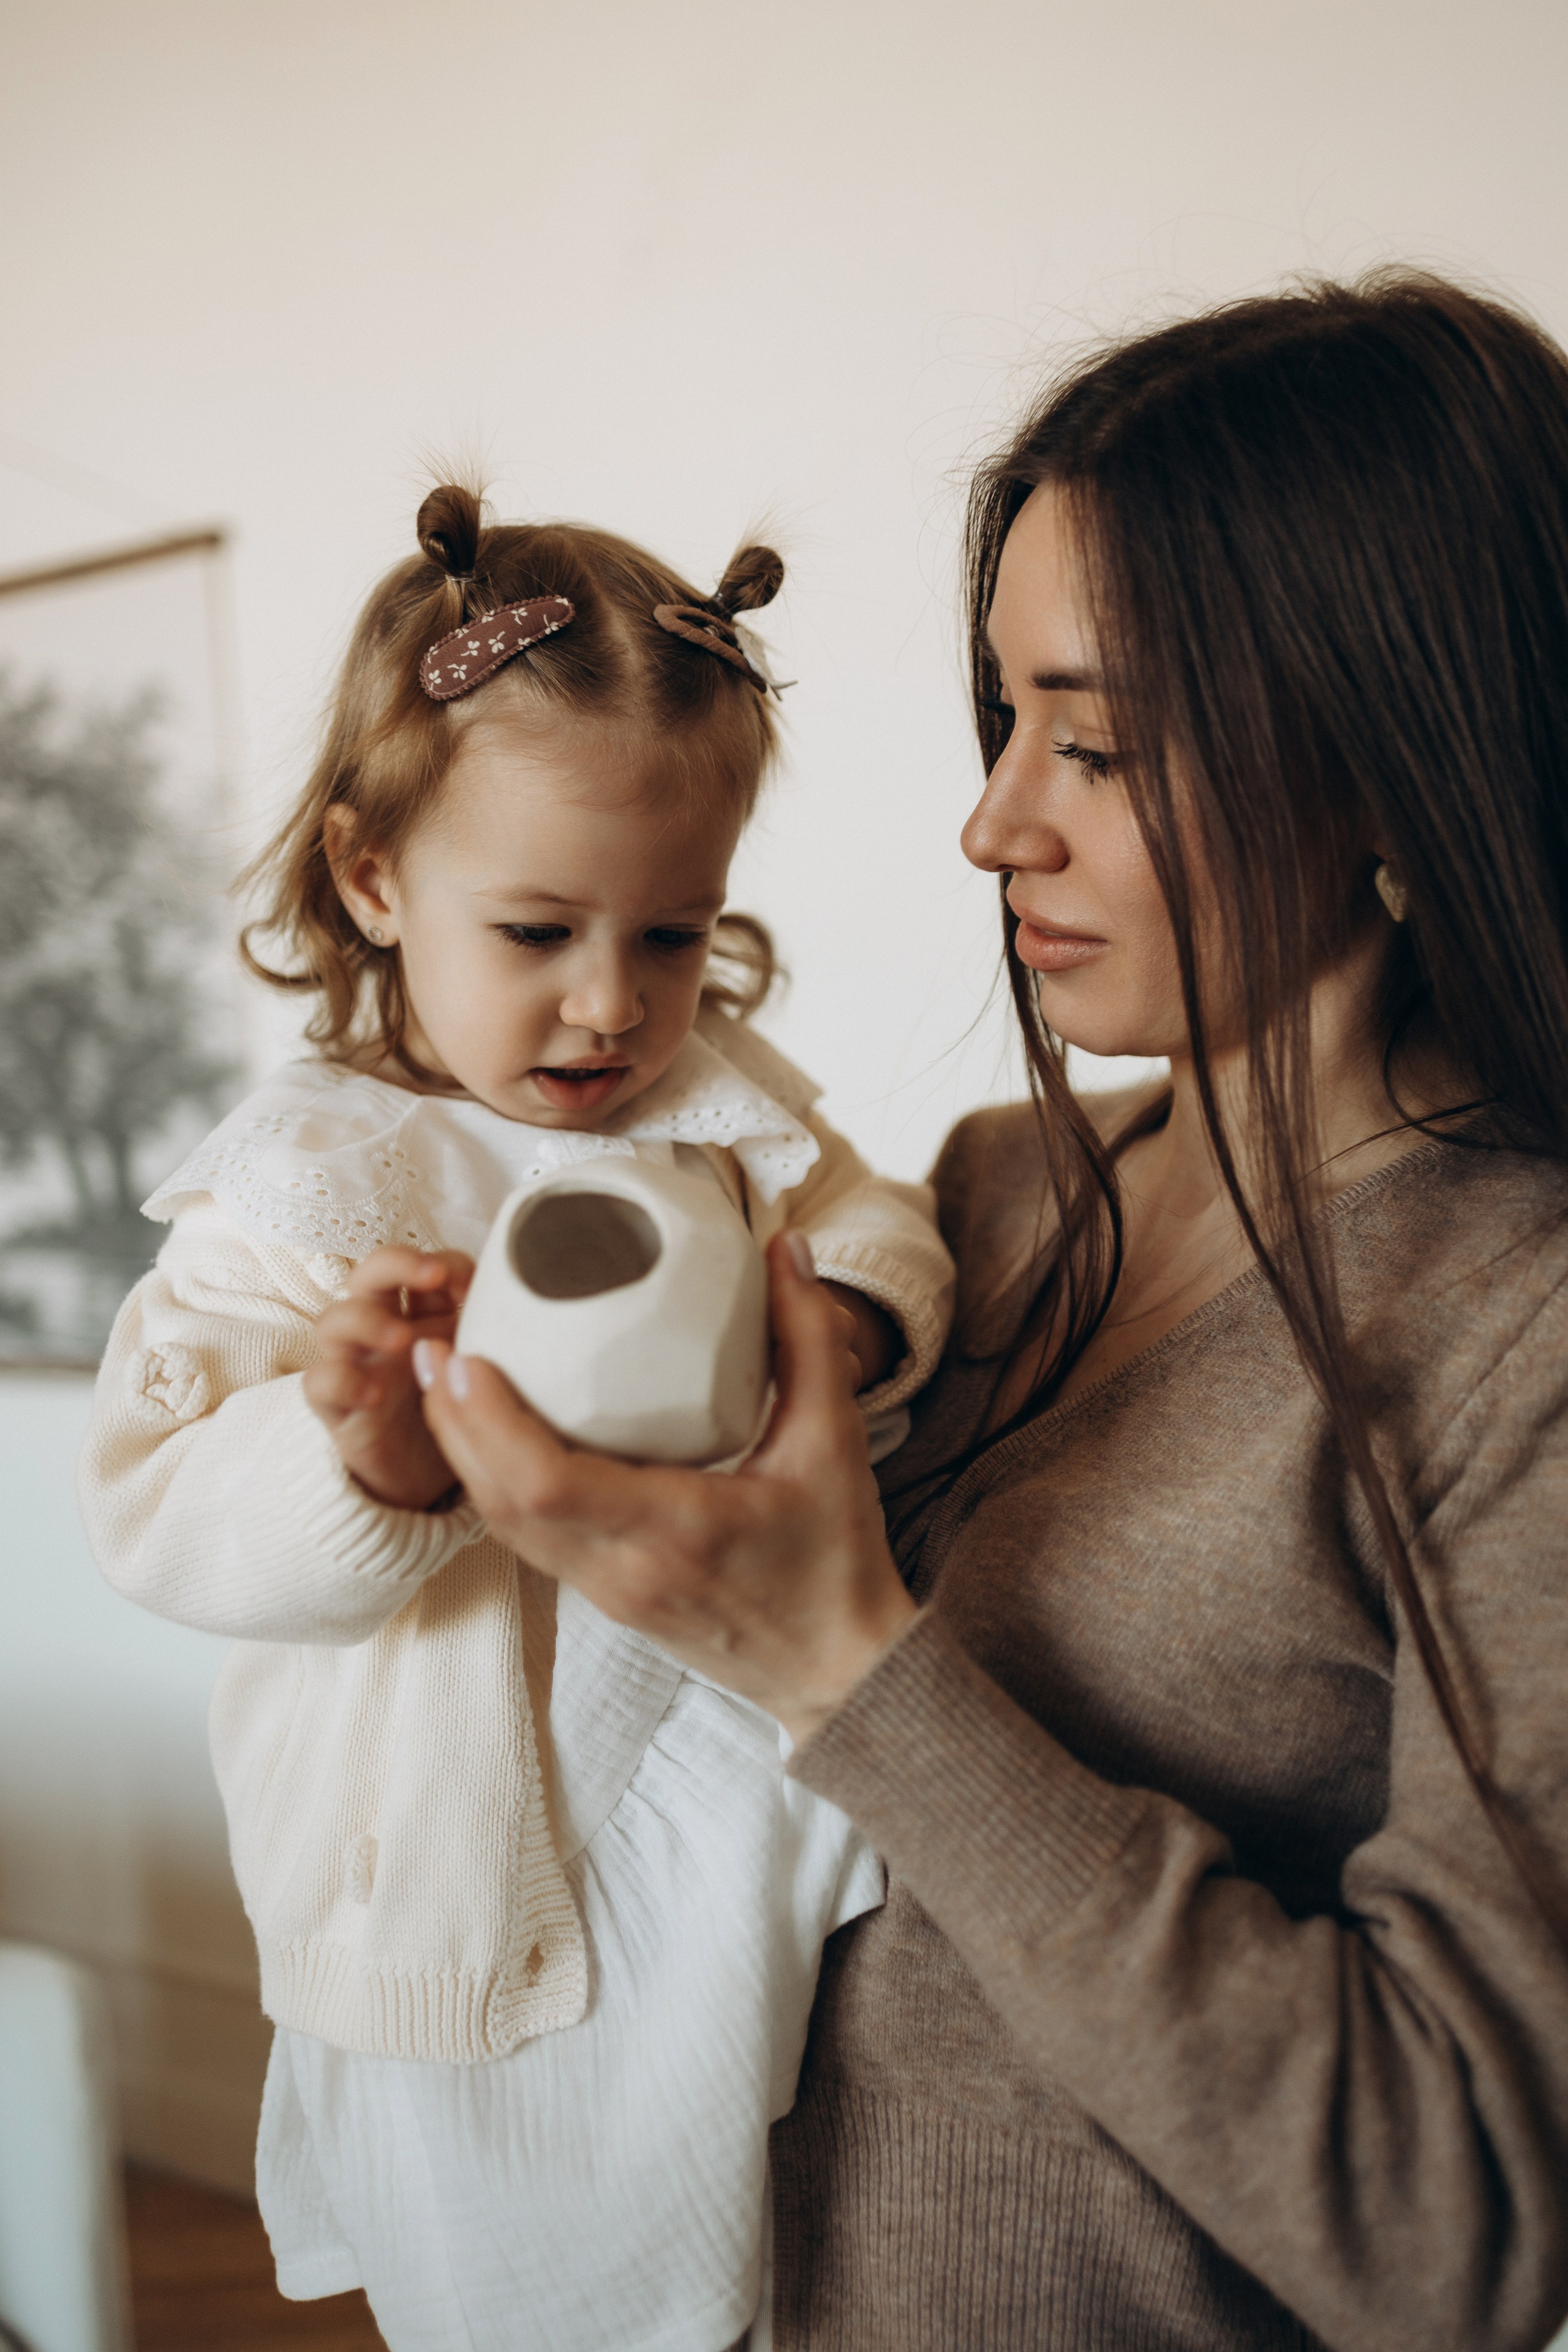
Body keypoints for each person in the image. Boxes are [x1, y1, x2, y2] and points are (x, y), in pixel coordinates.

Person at [405, 274, 1568, 2352]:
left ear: (1400, 759)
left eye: (1098, 744)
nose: (992, 822)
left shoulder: (1521, 1330)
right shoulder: (984, 1204)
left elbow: (1454, 2226)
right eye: (1005, 717)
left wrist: (851, 1661)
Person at [78, 487, 956, 2352]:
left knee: (772, 2226)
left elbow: (870, 1212)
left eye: (673, 935)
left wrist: (860, 1315)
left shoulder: (717, 1104)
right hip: (475, 1872)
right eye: (542, 928)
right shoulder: (307, 1186)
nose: (611, 1006)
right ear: (374, 879)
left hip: (722, 1807)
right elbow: (157, 1507)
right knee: (521, 2269)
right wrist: (363, 1463)